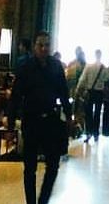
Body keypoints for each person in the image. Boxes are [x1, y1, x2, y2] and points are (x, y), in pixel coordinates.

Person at [9, 31, 71, 204]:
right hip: (31, 121)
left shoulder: (56, 66)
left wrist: (69, 117)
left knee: (53, 165)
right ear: (35, 46)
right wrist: (11, 124)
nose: (44, 48)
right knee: (30, 168)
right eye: (40, 45)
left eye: (47, 45)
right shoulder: (25, 67)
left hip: (50, 120)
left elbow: (64, 94)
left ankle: (43, 200)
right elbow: (16, 96)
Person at [75, 48, 105, 141]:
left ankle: (89, 132)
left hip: (90, 91)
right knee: (97, 113)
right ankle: (96, 133)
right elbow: (106, 80)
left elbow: (82, 79)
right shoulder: (104, 67)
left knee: (88, 112)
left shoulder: (89, 66)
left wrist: (78, 90)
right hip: (99, 92)